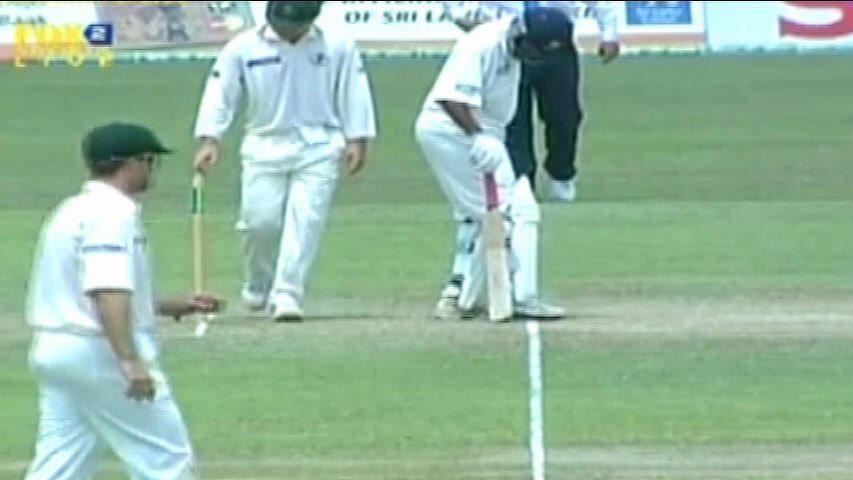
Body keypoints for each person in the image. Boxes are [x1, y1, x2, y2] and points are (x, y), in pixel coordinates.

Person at [23, 122, 225, 480]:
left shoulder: (70, 209)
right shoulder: (113, 214)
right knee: (164, 457)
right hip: (97, 352)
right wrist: (130, 361)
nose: (152, 170)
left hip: (55, 351)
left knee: (62, 461)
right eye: (149, 161)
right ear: (132, 163)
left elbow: (90, 289)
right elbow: (107, 290)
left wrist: (173, 305)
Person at [192, 0, 377, 322]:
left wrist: (357, 138)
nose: (288, 31)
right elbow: (220, 93)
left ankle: (288, 293)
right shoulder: (243, 47)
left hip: (319, 145)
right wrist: (211, 139)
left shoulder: (337, 45)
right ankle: (259, 282)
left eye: (295, 25)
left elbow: (354, 90)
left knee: (306, 222)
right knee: (259, 224)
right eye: (282, 24)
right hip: (264, 144)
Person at [416, 7, 573, 320]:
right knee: (509, 212)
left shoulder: (514, 41)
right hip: (452, 132)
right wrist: (478, 136)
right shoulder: (483, 44)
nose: (535, 59)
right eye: (535, 51)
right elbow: (450, 98)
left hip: (483, 132)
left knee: (502, 214)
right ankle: (505, 297)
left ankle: (468, 299)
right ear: (522, 37)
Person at [444, 1, 620, 202]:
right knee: (514, 117)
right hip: (508, 44)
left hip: (556, 44)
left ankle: (561, 173)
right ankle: (522, 178)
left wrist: (609, 36)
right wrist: (460, 16)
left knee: (565, 117)